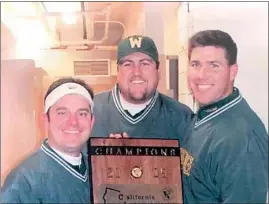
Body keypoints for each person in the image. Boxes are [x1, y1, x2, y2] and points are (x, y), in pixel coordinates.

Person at [181, 29, 268, 203]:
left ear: (233, 72)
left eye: (214, 65)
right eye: (195, 64)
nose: (201, 75)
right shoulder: (206, 115)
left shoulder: (241, 139)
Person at [1, 78, 95, 203]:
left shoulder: (98, 169)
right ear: (46, 120)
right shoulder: (23, 181)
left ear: (92, 122)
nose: (73, 122)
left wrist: (123, 161)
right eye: (62, 113)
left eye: (82, 114)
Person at [91, 35, 193, 141]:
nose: (137, 72)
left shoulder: (182, 116)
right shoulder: (91, 110)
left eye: (145, 63)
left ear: (158, 72)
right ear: (118, 72)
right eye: (128, 64)